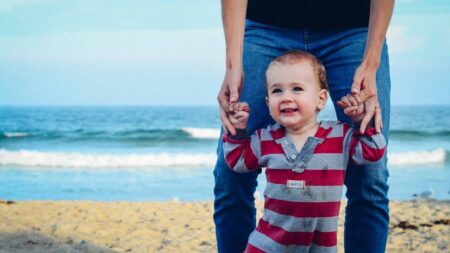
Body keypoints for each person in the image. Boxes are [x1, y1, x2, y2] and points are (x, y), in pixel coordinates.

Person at [214, 0, 394, 252]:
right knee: (229, 178)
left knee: (370, 178)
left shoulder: (338, 138)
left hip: (354, 29)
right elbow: (237, 156)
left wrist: (371, 61)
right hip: (265, 27)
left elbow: (372, 148)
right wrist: (233, 66)